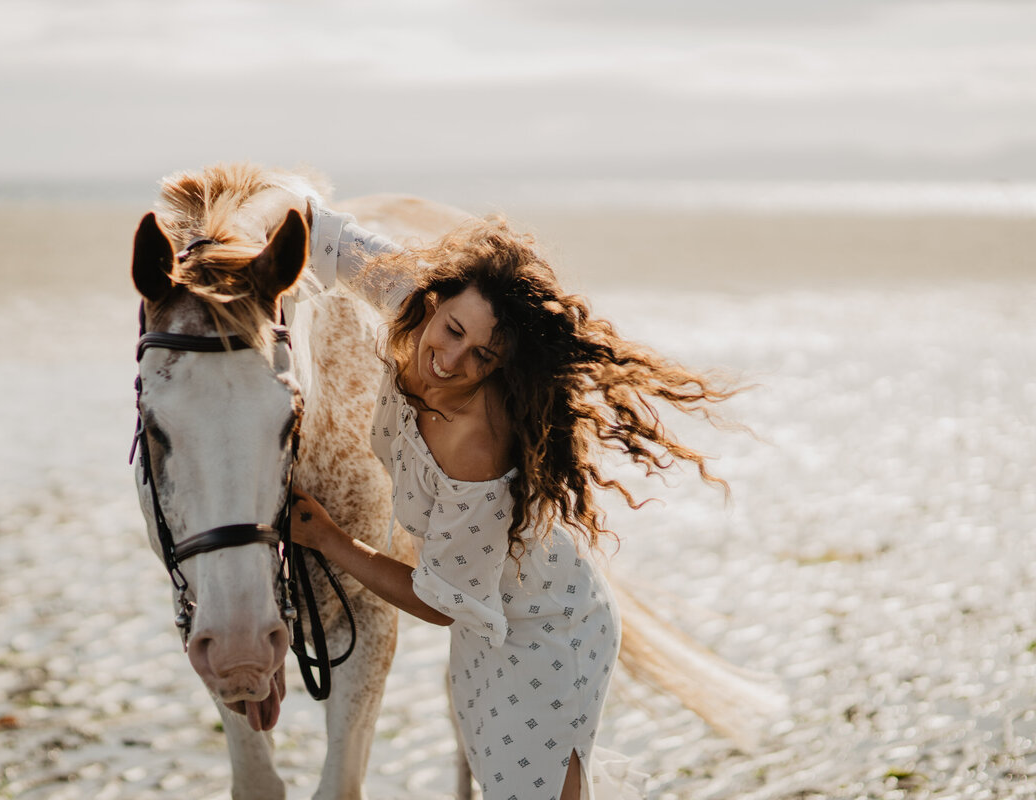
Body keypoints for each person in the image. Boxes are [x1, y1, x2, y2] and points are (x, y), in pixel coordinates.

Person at [289, 202, 738, 800]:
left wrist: (327, 538)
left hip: (545, 628)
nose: (451, 360)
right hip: (489, 621)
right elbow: (323, 233)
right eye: (453, 330)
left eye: (482, 356)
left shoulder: (473, 439)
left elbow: (440, 600)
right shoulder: (412, 302)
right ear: (433, 302)